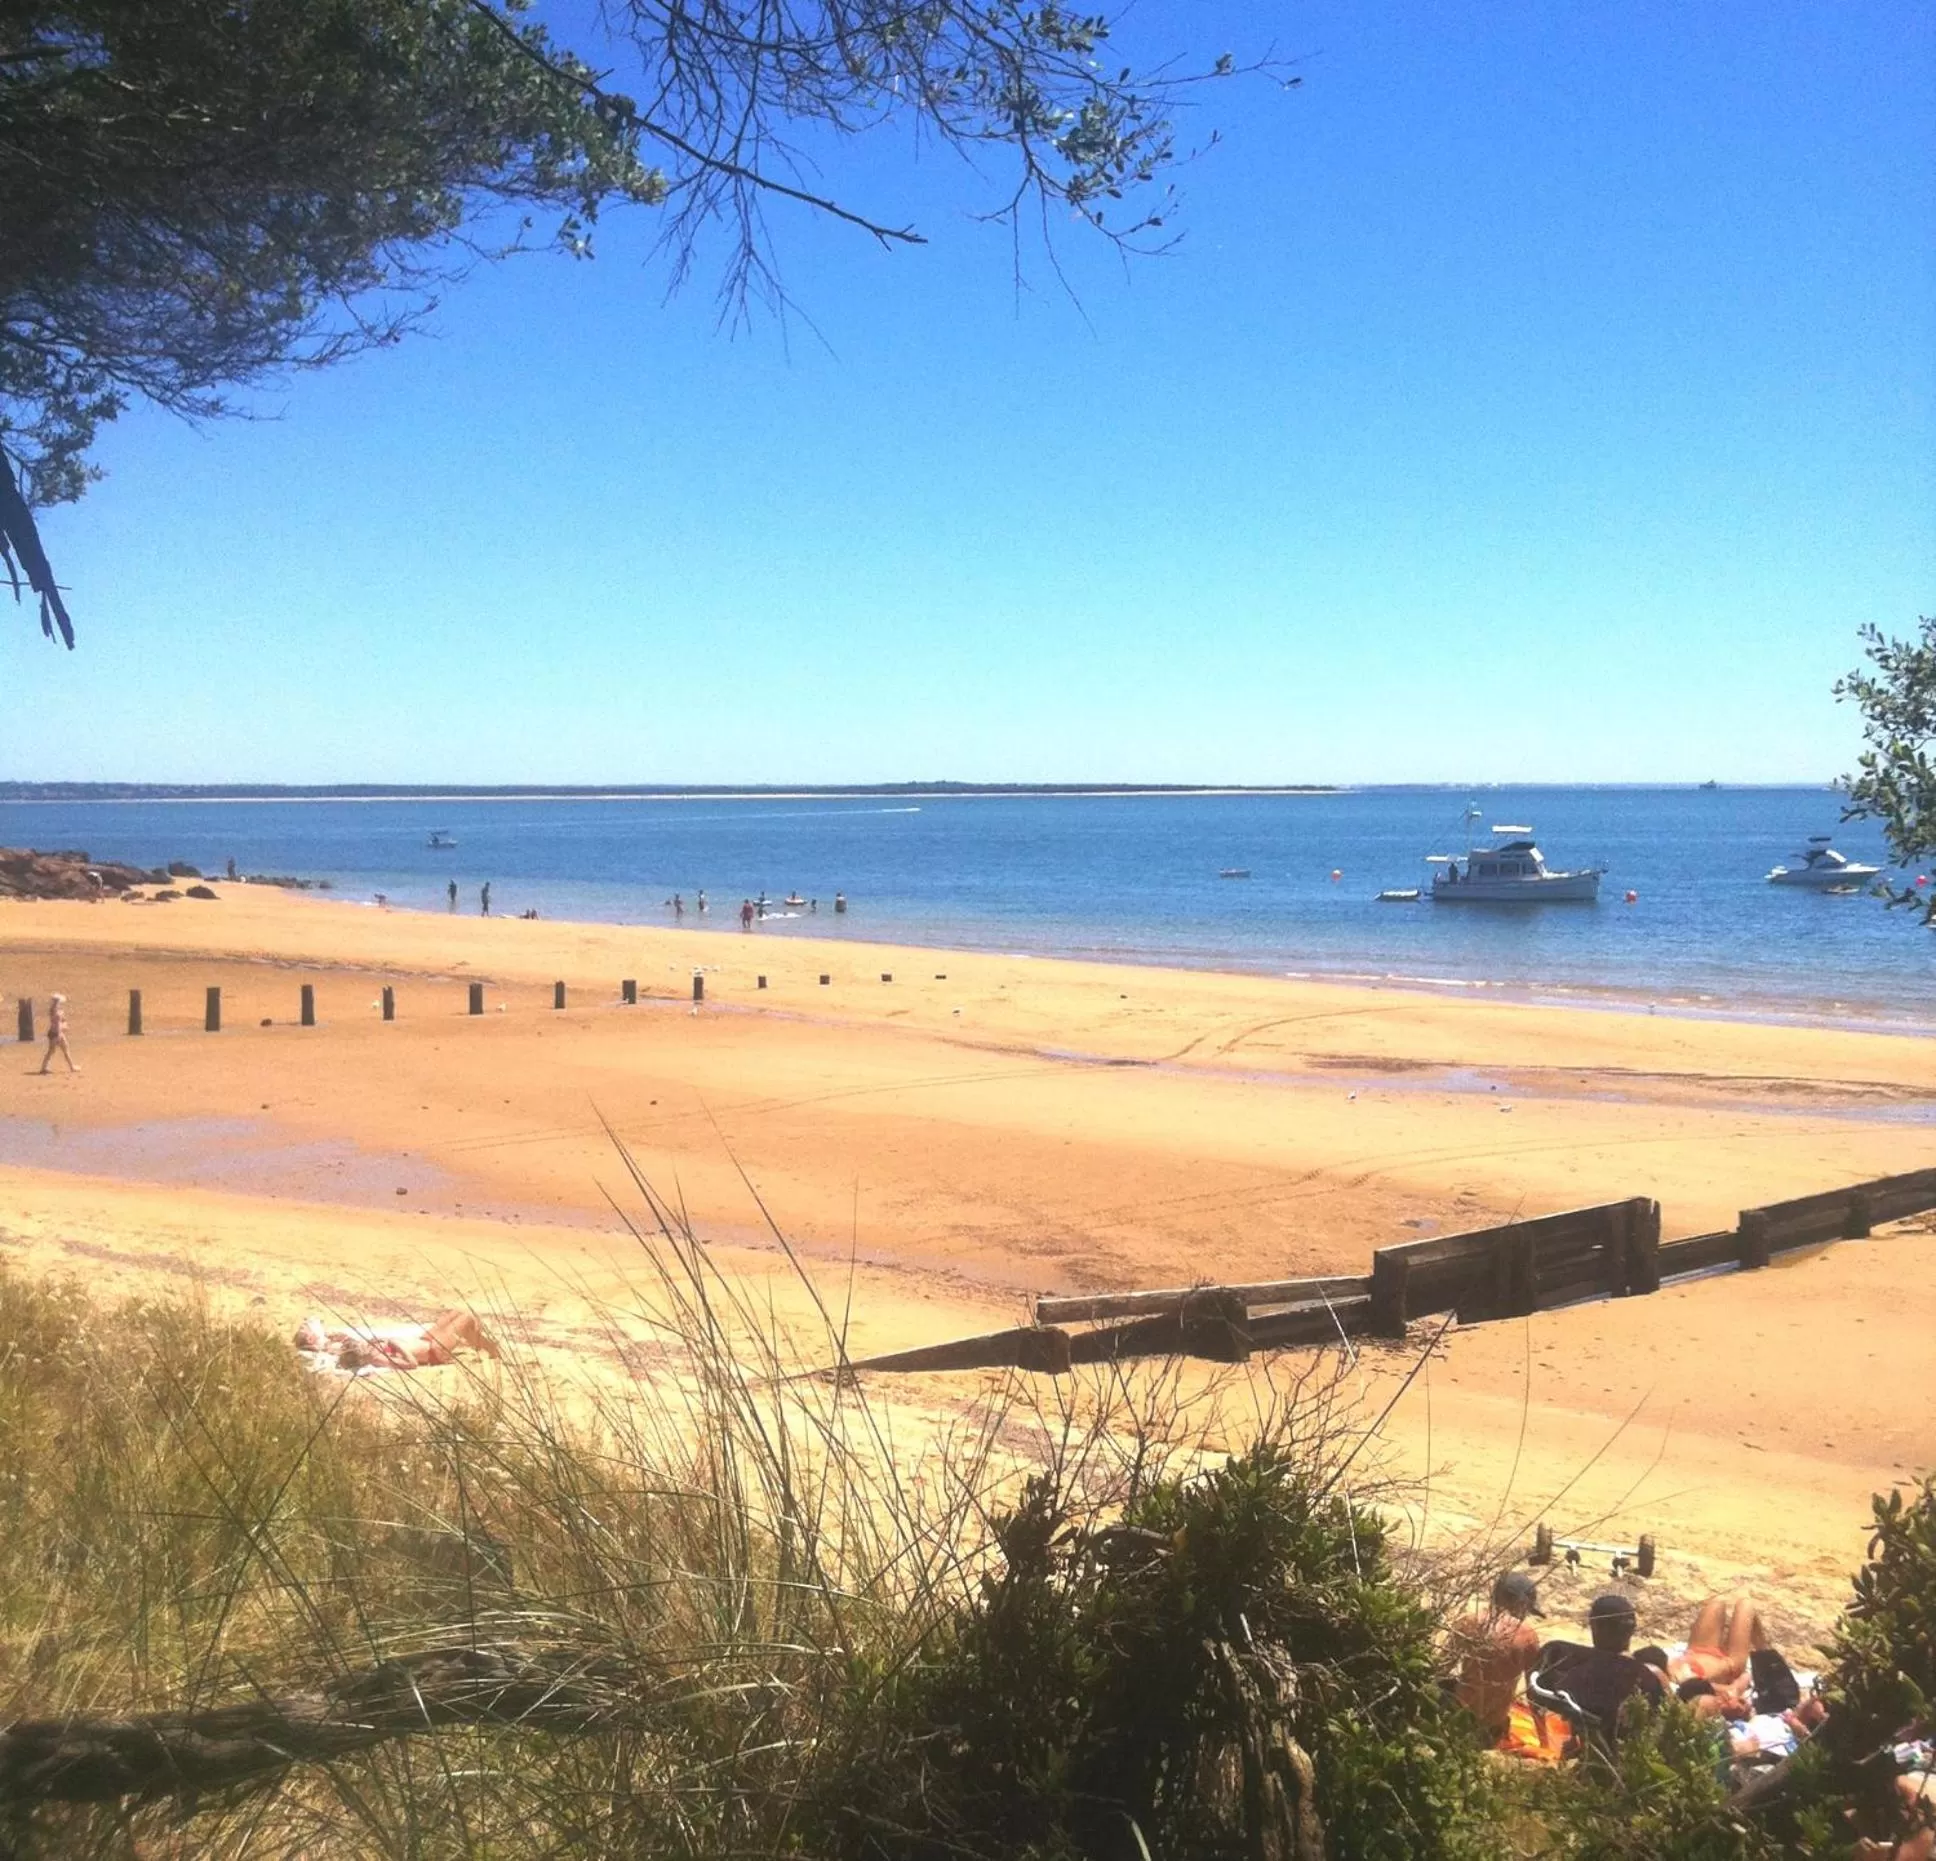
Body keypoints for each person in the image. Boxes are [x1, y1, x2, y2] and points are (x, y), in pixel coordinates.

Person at [1535, 1593, 1666, 1736]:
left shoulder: (1559, 1656)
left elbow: (1538, 1697)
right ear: (1632, 1629)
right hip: (1624, 1751)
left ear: (1594, 1625)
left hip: (1578, 1743)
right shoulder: (1647, 1678)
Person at [1449, 1571, 1544, 1742]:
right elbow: (1534, 1694)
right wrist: (1544, 1741)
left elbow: (1442, 1667)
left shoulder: (1468, 1621)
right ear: (1521, 1603)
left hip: (1460, 1720)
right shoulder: (1526, 1636)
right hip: (1492, 1729)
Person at [293, 1309, 501, 1373]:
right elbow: (410, 1365)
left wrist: (329, 1342)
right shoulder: (376, 1357)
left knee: (457, 1313)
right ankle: (488, 1348)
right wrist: (395, 1343)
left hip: (423, 1340)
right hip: (434, 1352)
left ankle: (485, 1346)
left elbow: (332, 1347)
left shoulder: (369, 1348)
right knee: (467, 1319)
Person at [1667, 1594, 1770, 1686]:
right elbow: (1719, 1689)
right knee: (1745, 1605)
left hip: (1697, 1651)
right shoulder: (1688, 1686)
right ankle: (1767, 1656)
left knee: (1717, 1603)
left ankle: (1766, 1653)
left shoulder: (1667, 1676)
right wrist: (1725, 1666)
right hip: (1729, 1665)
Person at [38, 993, 77, 1074]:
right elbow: (58, 1023)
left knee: (58, 1050)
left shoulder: (55, 1011)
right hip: (56, 1034)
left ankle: (44, 1067)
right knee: (57, 1050)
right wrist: (60, 1033)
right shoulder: (55, 1012)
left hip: (56, 1033)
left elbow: (61, 1022)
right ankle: (71, 1066)